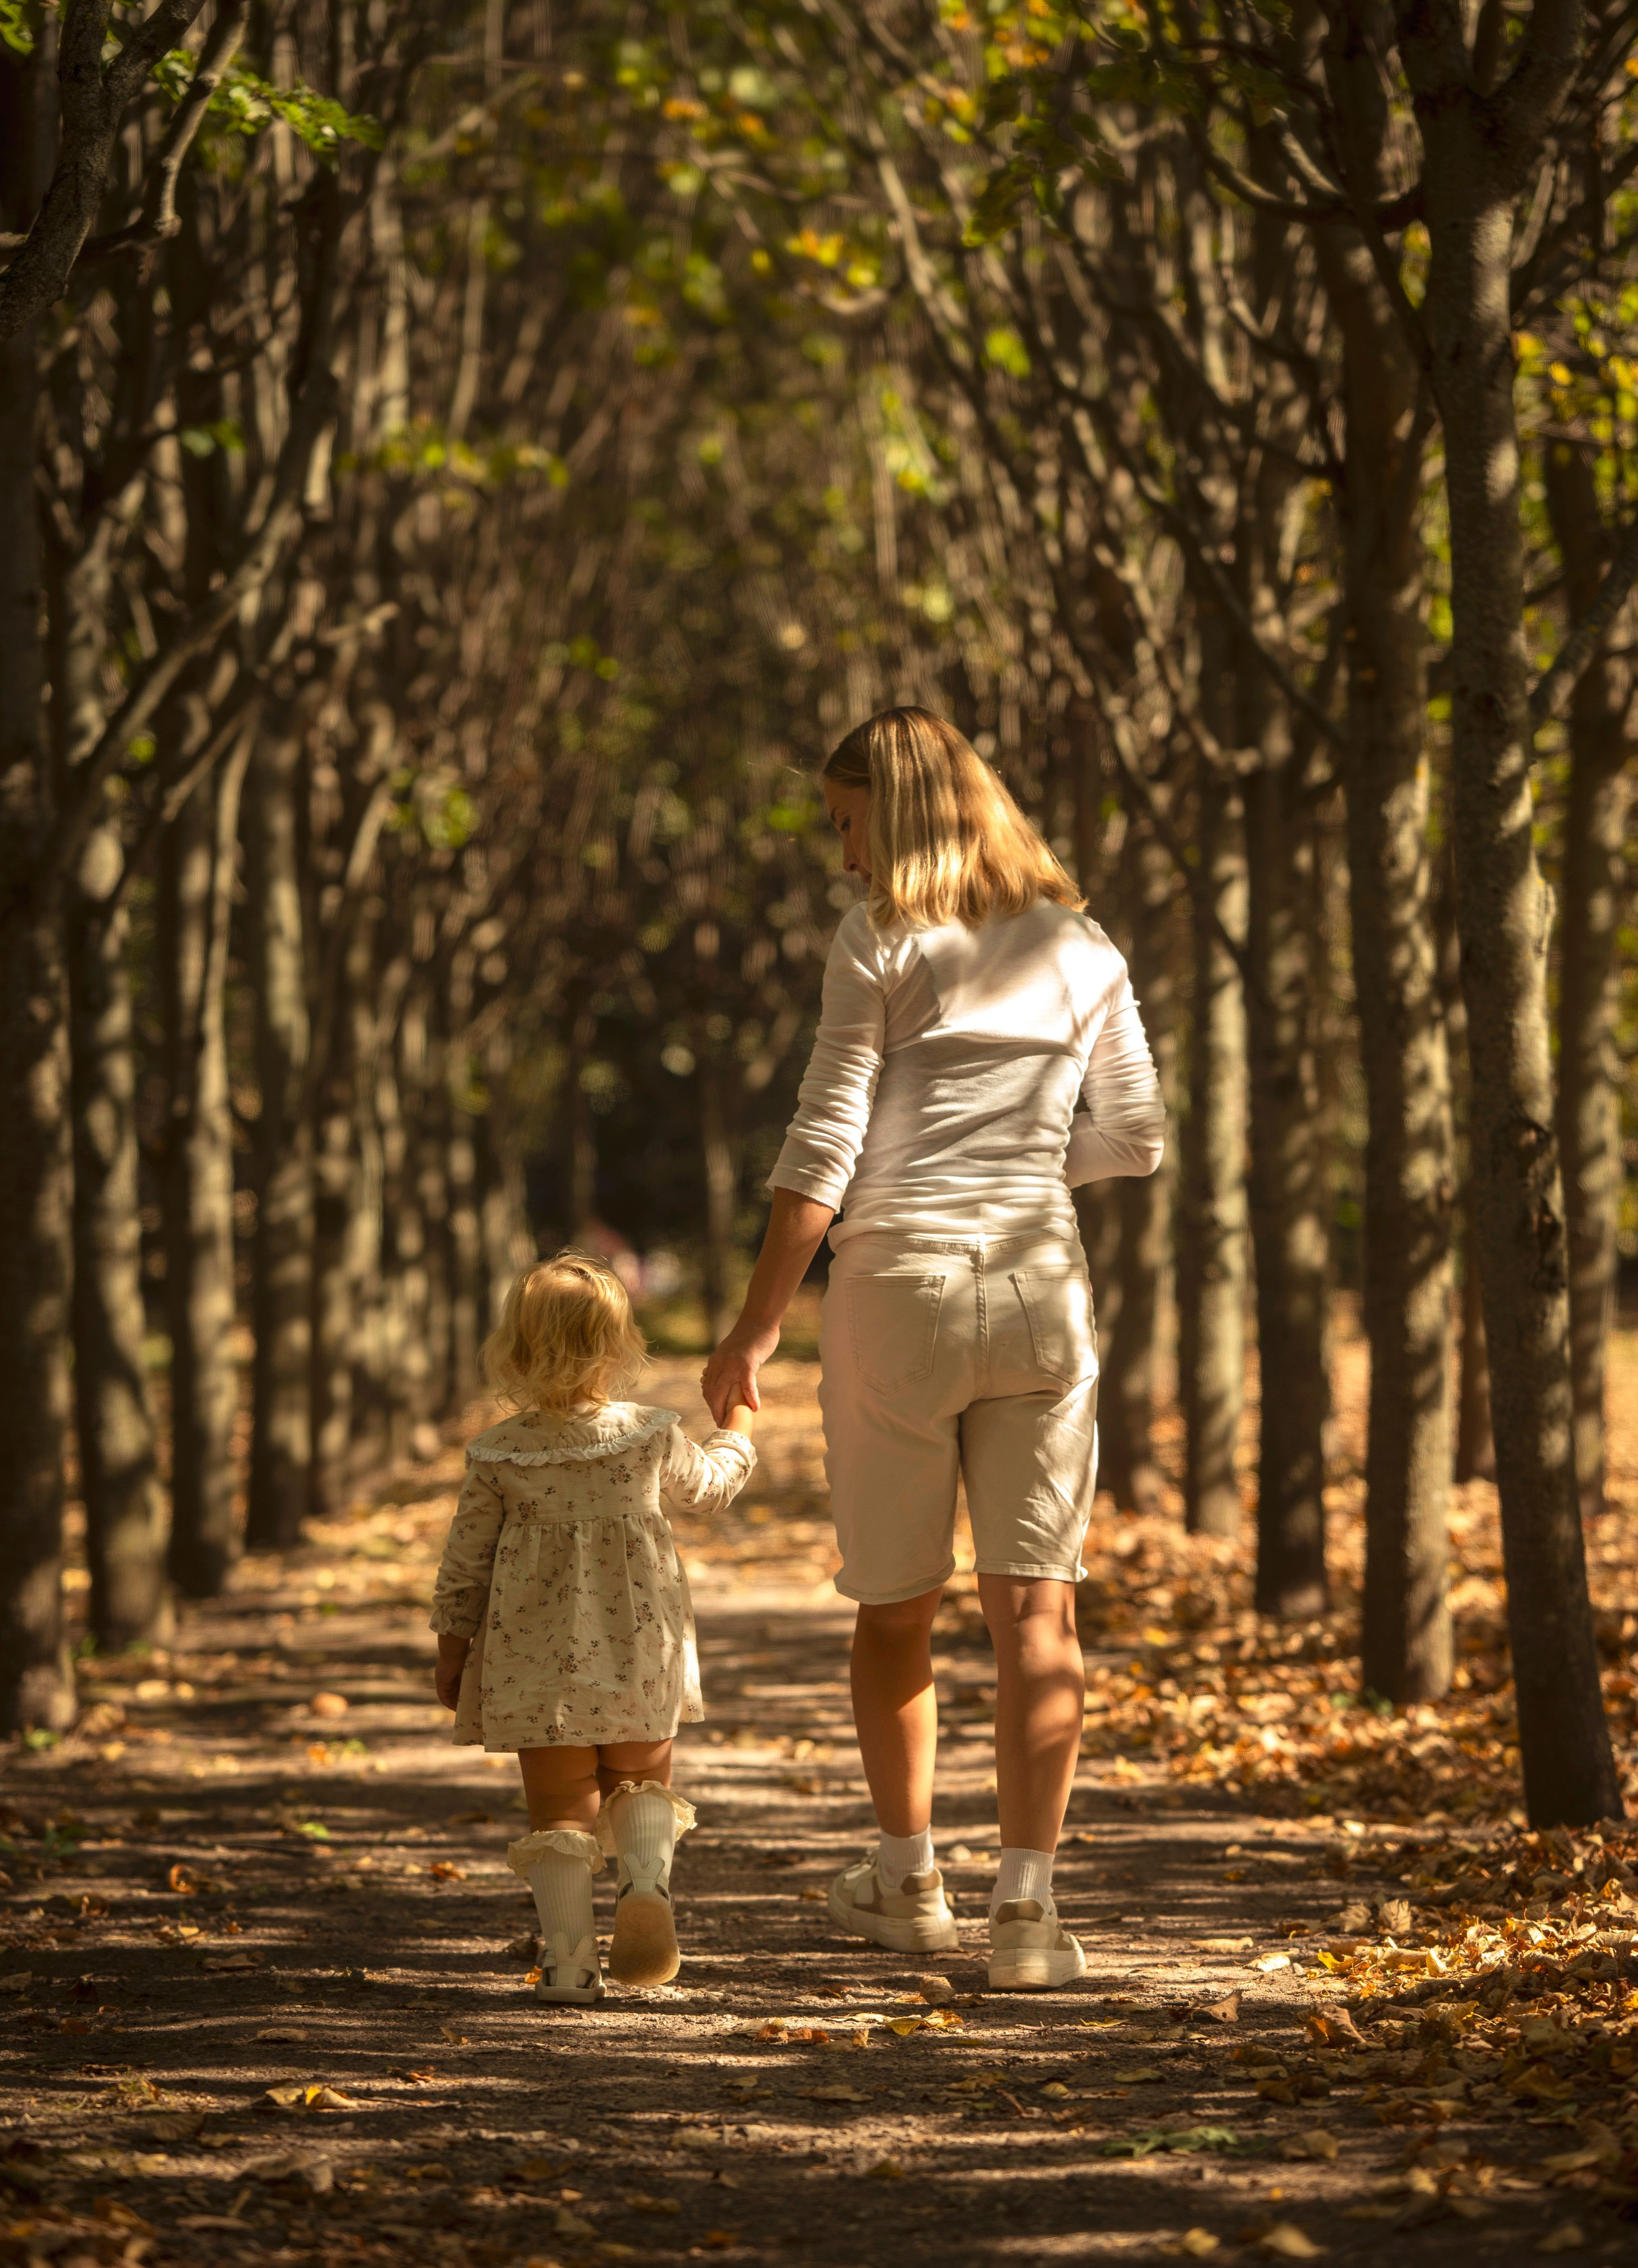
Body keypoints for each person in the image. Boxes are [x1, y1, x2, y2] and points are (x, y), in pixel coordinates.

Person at [702, 707, 1164, 1991]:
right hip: (1038, 1286)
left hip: (893, 1289)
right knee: (1037, 1607)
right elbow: (1133, 1137)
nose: (842, 857)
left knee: (894, 1605)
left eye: (849, 825)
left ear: (895, 813)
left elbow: (822, 1141)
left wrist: (753, 1322)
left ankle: (906, 1881)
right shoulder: (1081, 945)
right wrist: (1011, 1170)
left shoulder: (880, 938)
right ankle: (1027, 1907)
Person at [431, 1252, 756, 2003]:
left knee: (558, 1807)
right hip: (642, 1644)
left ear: (514, 1346)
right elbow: (708, 1490)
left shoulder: (500, 1450)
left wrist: (453, 1649)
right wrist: (737, 1422)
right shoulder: (648, 1433)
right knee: (642, 1776)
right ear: (617, 1346)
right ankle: (644, 1879)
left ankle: (569, 1963)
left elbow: (465, 1564)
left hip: (530, 1659)